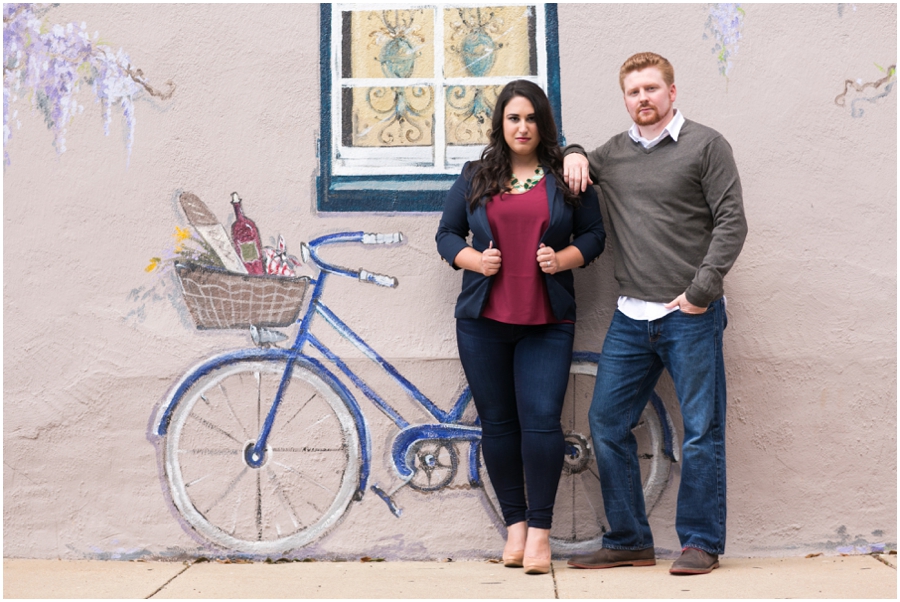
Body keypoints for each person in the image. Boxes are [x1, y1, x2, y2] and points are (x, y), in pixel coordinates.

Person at [562, 52, 747, 575]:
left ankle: (701, 543)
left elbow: (732, 223)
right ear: (625, 99)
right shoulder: (613, 155)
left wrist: (702, 292)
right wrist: (575, 152)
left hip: (690, 313)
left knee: (700, 429)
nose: (642, 99)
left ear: (671, 92)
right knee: (605, 423)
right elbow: (569, 165)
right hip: (630, 316)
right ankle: (627, 539)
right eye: (633, 92)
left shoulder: (706, 145)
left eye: (651, 89)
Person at [436, 80, 606, 575]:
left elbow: (594, 236)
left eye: (531, 118)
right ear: (501, 124)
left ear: (543, 123)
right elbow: (446, 234)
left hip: (547, 321)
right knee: (498, 425)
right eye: (514, 118)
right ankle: (513, 527)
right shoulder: (475, 175)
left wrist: (563, 258)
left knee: (540, 423)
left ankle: (539, 532)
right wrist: (473, 260)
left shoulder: (566, 177)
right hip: (482, 321)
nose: (523, 127)